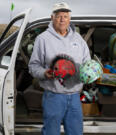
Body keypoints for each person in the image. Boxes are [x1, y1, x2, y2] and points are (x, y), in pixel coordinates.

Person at [28, 2, 91, 135]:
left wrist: (91, 73)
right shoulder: (43, 39)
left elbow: (87, 64)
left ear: (69, 19)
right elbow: (33, 66)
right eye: (58, 16)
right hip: (53, 96)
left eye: (65, 16)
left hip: (74, 96)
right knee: (51, 132)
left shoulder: (78, 39)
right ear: (52, 18)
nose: (62, 19)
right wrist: (45, 73)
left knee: (76, 132)